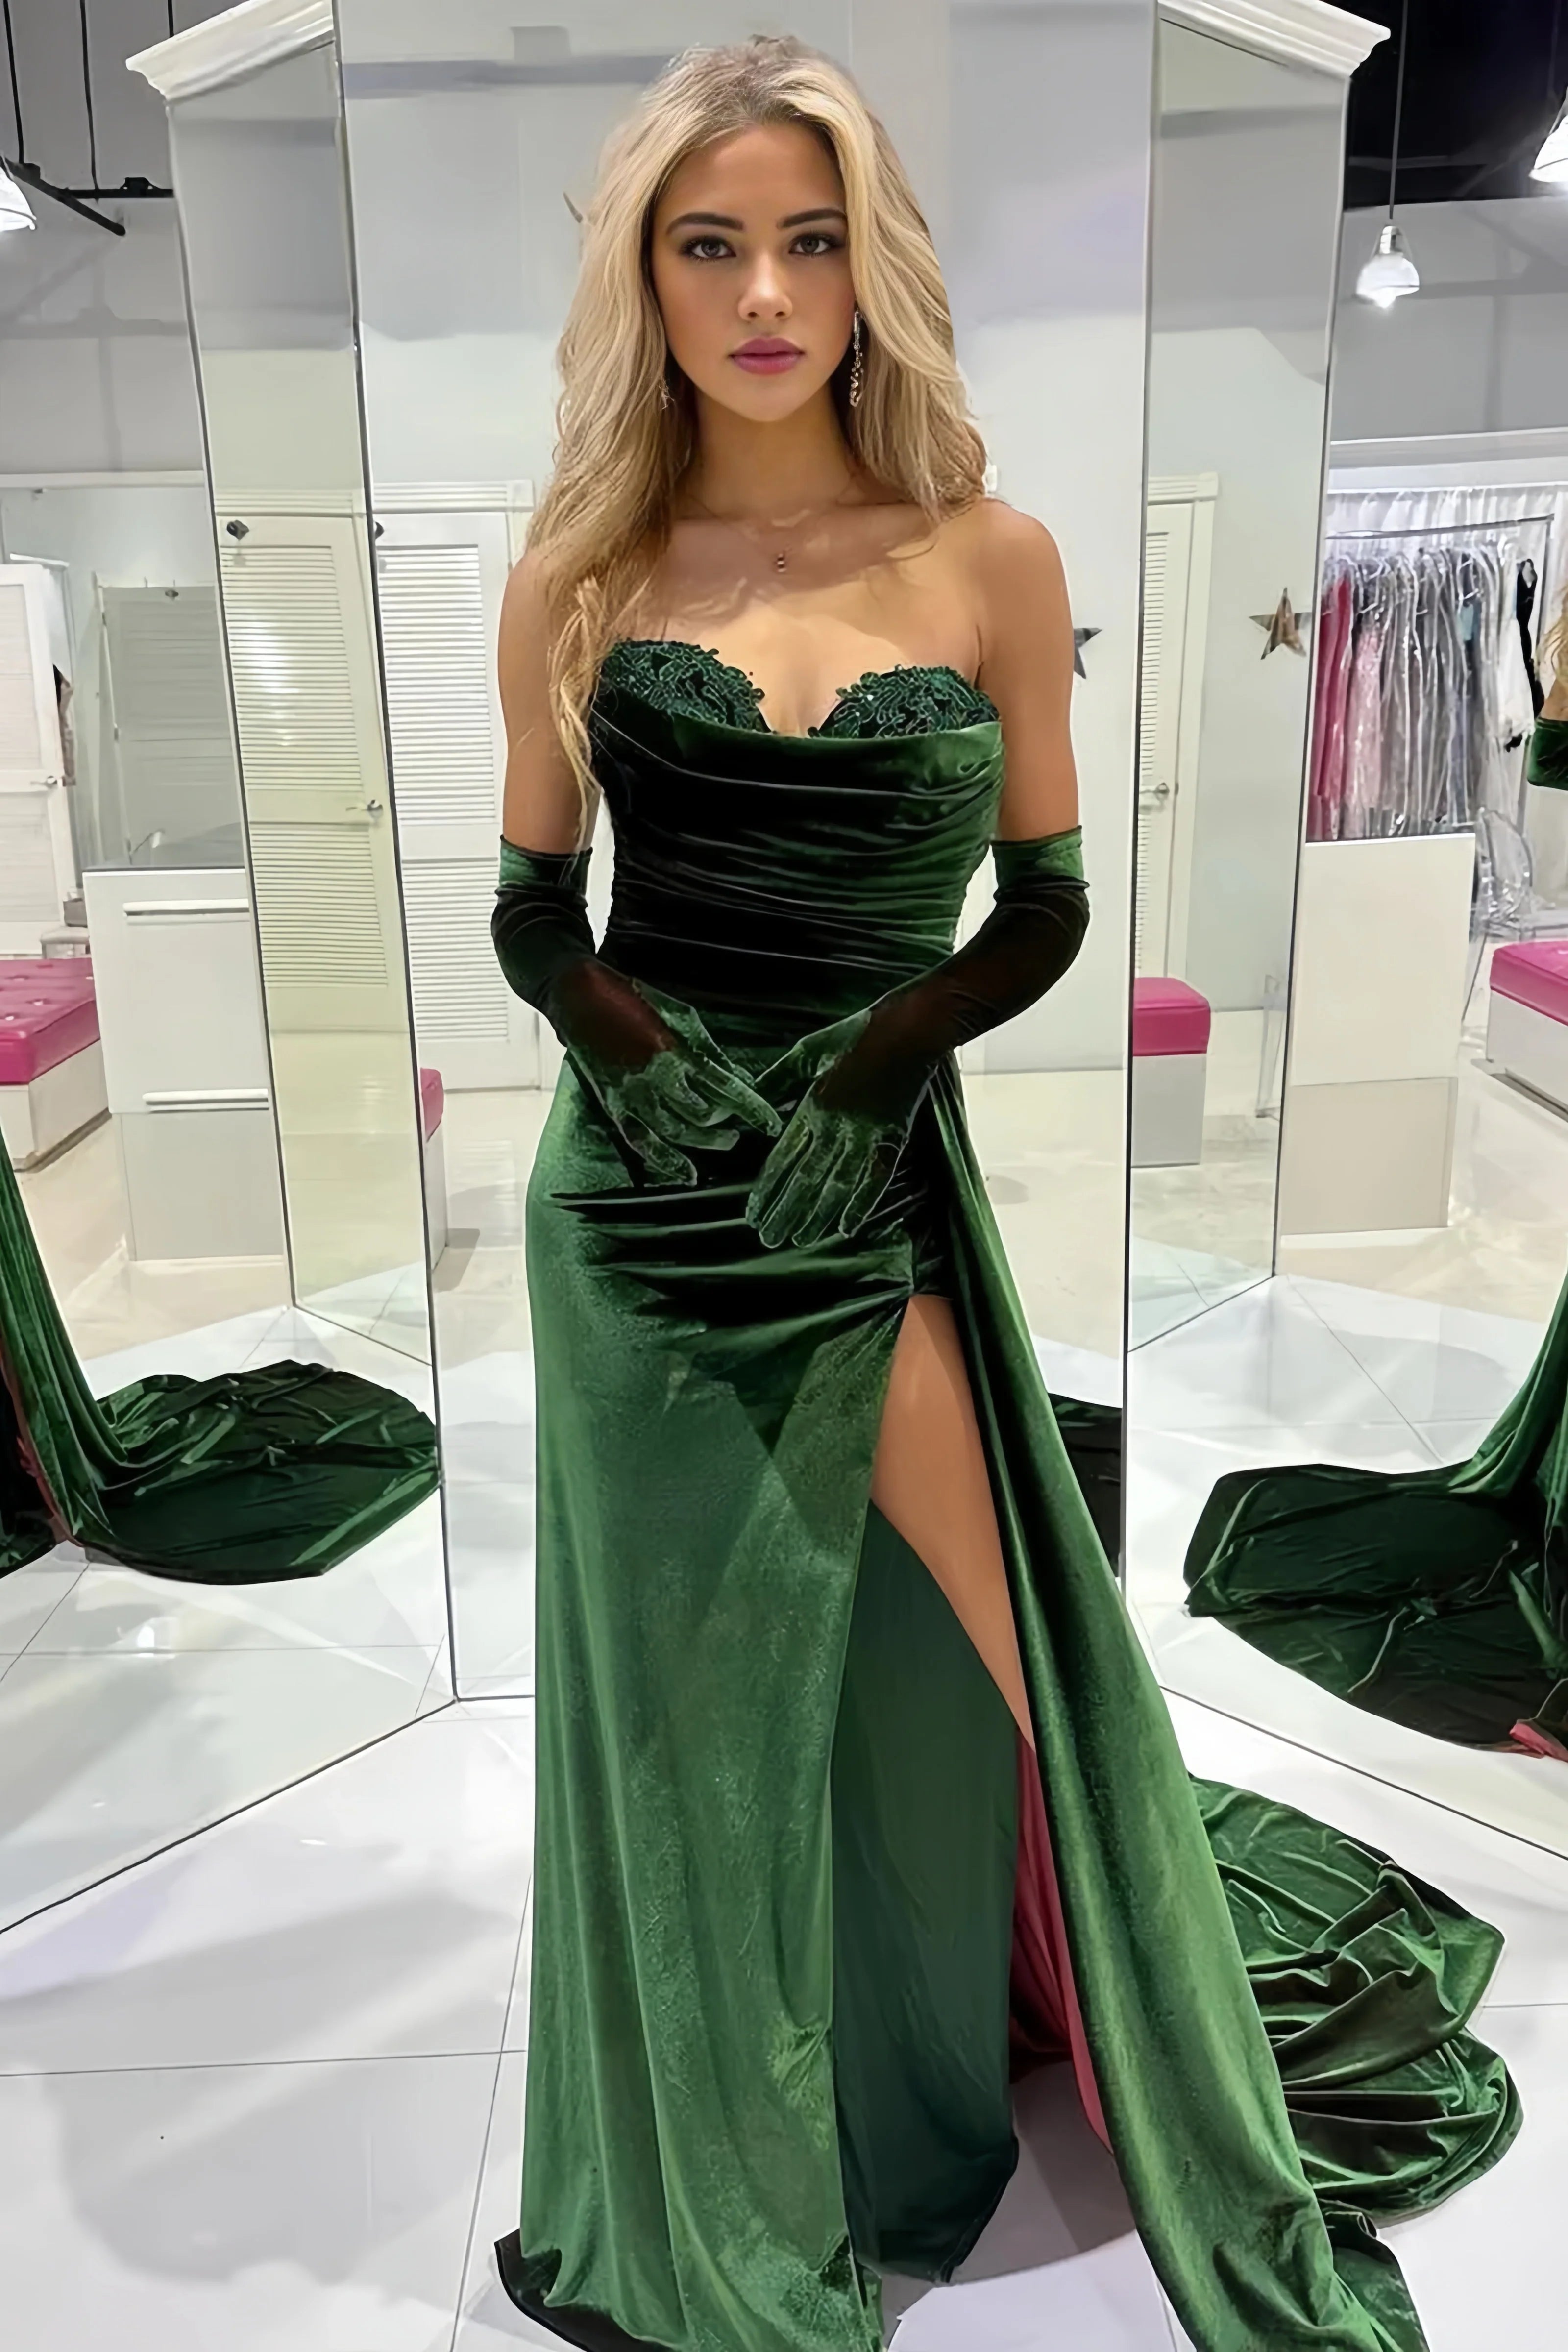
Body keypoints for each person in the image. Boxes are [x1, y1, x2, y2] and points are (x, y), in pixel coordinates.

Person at [490, 36, 1515, 2352]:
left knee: (1017, 1655)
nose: (766, 292)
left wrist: (879, 1063)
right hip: (636, 1217)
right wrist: (643, 1069)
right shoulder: (580, 571)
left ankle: (1123, 2030)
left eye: (810, 239)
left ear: (873, 267)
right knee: (678, 1730)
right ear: (647, 279)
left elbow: (1040, 905)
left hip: (866, 1196)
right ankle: (706, 2198)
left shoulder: (987, 554)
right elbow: (535, 916)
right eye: (710, 245)